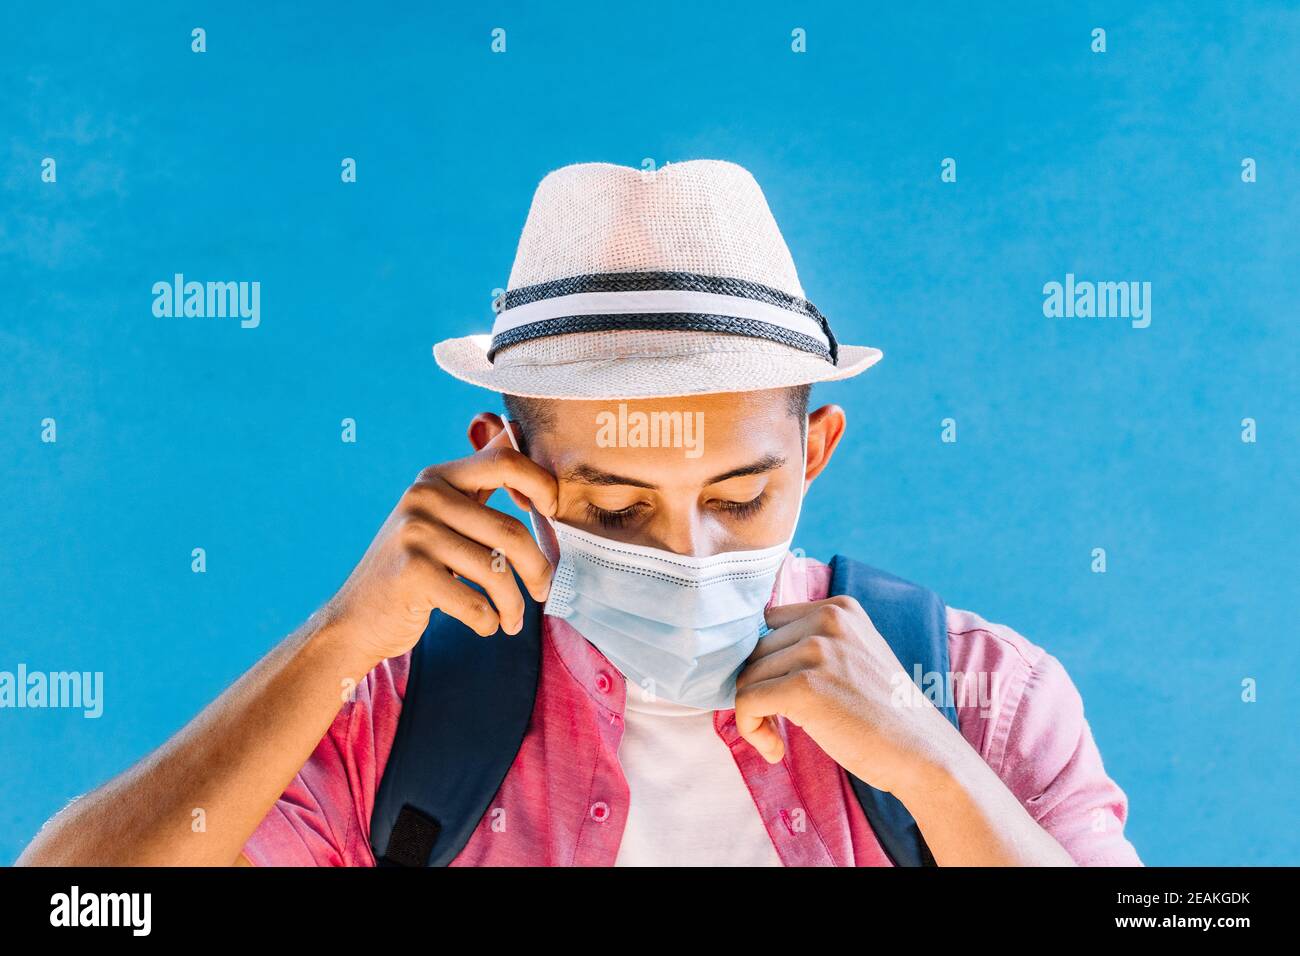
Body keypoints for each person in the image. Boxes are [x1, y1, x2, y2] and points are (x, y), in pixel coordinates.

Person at [18, 160, 1140, 866]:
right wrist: (337, 642)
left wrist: (935, 771)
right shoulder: (397, 731)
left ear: (816, 449)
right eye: (617, 505)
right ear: (503, 463)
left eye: (742, 496)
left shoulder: (984, 697)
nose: (693, 556)